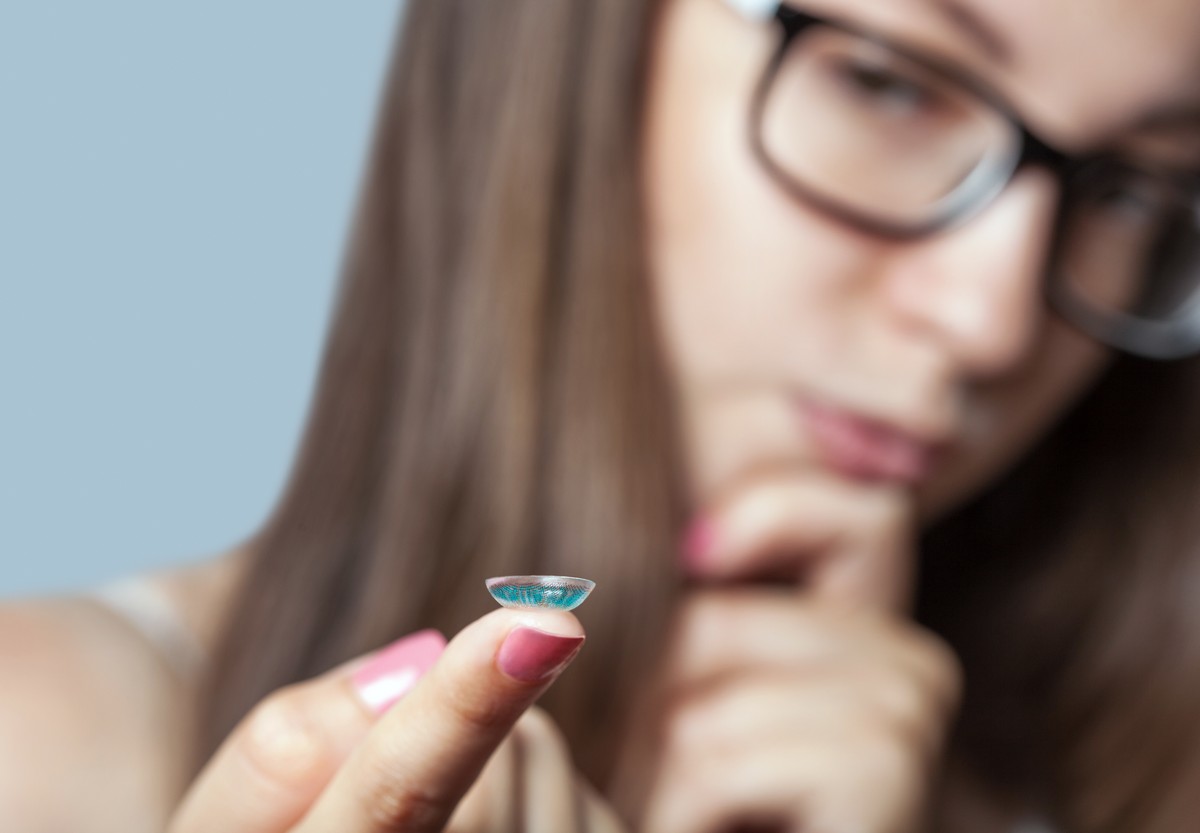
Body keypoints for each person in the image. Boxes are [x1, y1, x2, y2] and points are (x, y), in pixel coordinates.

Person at [4, 0, 1200, 830]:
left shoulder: (1145, 777)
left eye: (1134, 188)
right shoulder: (43, 748)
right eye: (888, 80)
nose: (988, 319)